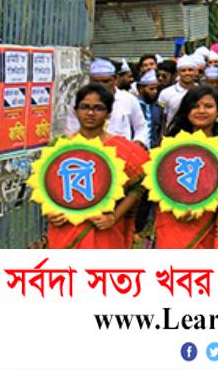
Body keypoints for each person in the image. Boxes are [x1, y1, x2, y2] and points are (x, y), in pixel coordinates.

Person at [44, 84, 149, 248]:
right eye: (85, 107)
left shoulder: (123, 149)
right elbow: (45, 186)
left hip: (105, 230)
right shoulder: (59, 147)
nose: (90, 113)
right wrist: (50, 212)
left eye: (98, 108)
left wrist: (114, 217)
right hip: (66, 228)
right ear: (76, 110)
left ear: (108, 113)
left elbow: (139, 186)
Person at [155, 86, 218, 248]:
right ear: (186, 111)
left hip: (215, 220)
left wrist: (204, 204)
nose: (201, 111)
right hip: (176, 219)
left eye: (208, 106)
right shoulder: (171, 145)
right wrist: (178, 207)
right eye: (195, 106)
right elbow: (160, 182)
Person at [67, 59, 150, 148]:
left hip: (121, 154)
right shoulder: (80, 100)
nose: (101, 85)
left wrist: (135, 145)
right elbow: (72, 128)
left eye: (105, 81)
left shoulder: (128, 99)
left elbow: (141, 127)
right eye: (96, 81)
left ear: (115, 79)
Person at [159, 55, 198, 126]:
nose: (187, 73)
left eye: (190, 70)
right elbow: (161, 117)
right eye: (183, 70)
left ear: (195, 72)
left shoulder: (202, 91)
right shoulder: (165, 93)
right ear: (178, 73)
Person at [136, 70, 165, 149]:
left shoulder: (159, 108)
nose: (155, 92)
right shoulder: (133, 105)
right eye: (151, 89)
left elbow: (160, 131)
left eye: (156, 89)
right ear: (140, 88)